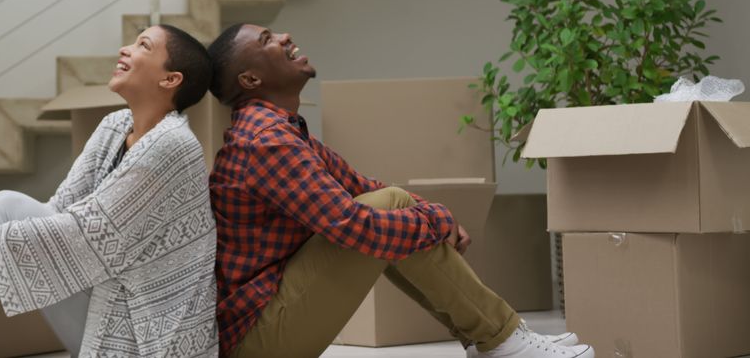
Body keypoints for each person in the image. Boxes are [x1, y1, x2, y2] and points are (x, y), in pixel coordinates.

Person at [206, 23, 593, 358]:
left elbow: (360, 185)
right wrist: (437, 220)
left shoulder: (280, 129)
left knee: (392, 202)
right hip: (257, 341)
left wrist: (427, 212)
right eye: (267, 39)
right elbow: (351, 225)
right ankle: (500, 337)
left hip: (268, 323)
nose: (286, 37)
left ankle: (494, 337)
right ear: (251, 80)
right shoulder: (266, 140)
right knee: (387, 209)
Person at [0, 25, 219, 358]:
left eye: (143, 45)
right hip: (111, 304)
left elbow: (90, 238)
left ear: (170, 79)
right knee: (7, 208)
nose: (125, 49)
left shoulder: (173, 145)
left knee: (7, 205)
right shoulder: (115, 125)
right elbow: (60, 210)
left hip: (148, 340)